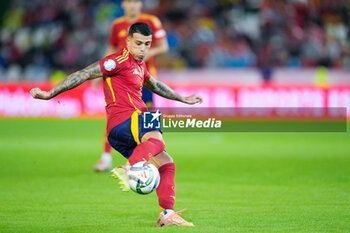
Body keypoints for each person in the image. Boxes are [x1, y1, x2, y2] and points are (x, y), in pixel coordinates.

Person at [30, 22, 202, 227]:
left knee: (166, 163)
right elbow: (83, 74)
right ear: (128, 40)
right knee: (156, 133)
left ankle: (166, 213)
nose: (143, 49)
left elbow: (155, 85)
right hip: (126, 119)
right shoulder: (117, 61)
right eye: (138, 43)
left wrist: (182, 99)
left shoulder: (140, 65)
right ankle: (129, 168)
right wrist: (50, 94)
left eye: (147, 44)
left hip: (124, 129)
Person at [94, 0, 169, 172]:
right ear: (123, 5)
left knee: (150, 121)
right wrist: (100, 72)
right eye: (129, 1)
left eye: (136, 1)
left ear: (140, 4)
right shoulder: (117, 25)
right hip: (121, 81)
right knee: (115, 118)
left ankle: (151, 158)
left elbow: (163, 46)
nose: (133, 5)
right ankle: (106, 158)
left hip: (145, 80)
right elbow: (111, 48)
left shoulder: (152, 21)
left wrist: (150, 52)